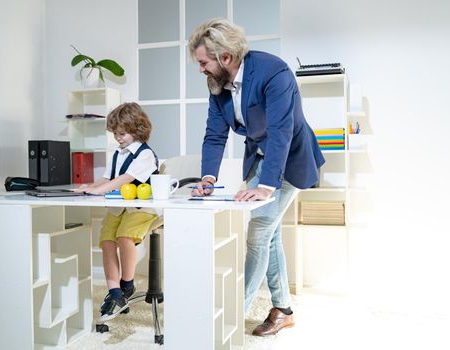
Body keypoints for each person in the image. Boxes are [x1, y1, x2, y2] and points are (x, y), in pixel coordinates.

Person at [188, 18, 325, 337]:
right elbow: (214, 134)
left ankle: (232, 315)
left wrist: (267, 186)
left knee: (260, 230)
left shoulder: (273, 71)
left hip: (290, 158)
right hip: (259, 159)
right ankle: (284, 310)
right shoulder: (217, 85)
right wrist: (208, 176)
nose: (200, 69)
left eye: (203, 62)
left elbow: (281, 131)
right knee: (270, 232)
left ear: (224, 57)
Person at [73, 102, 160, 317]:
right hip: (118, 207)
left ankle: (127, 285)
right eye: (115, 134)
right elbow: (107, 177)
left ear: (136, 129)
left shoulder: (145, 154)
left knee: (124, 237)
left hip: (141, 208)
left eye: (122, 134)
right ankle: (114, 292)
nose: (118, 138)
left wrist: (100, 190)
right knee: (107, 240)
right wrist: (90, 187)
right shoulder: (117, 154)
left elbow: (125, 179)